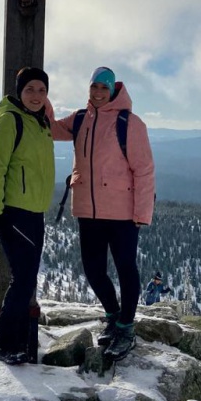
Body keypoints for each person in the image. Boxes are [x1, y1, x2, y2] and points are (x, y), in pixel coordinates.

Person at [48, 67, 155, 361]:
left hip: (123, 214)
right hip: (89, 210)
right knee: (93, 269)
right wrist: (41, 98)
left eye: (103, 88)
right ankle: (113, 314)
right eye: (94, 87)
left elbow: (144, 171)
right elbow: (53, 129)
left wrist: (142, 214)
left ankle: (127, 327)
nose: (97, 93)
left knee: (125, 269)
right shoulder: (81, 118)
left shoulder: (130, 123)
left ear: (113, 90)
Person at [0, 67, 55, 365]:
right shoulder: (10, 120)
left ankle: (16, 341)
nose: (36, 96)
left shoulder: (39, 122)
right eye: (30, 90)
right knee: (24, 279)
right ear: (19, 92)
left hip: (35, 212)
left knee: (27, 277)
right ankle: (8, 344)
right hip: (15, 212)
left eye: (41, 90)